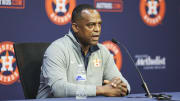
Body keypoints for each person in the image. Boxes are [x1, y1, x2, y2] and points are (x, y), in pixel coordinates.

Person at [36, 4, 130, 98]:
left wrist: (121, 87)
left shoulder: (102, 51)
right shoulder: (57, 49)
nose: (97, 29)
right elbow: (58, 89)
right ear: (76, 27)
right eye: (91, 25)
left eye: (99, 24)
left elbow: (123, 83)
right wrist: (101, 90)